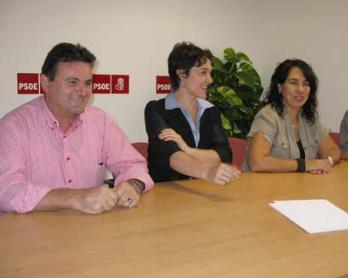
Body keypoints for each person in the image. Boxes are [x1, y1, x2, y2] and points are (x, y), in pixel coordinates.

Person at [0, 42, 153, 214]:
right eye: (72, 82)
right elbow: (5, 188)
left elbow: (132, 163)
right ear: (45, 82)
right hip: (33, 233)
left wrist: (133, 184)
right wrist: (73, 198)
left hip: (89, 229)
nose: (83, 91)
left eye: (87, 83)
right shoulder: (13, 126)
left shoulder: (100, 121)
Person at [144, 42, 240, 184]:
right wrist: (207, 172)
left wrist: (188, 150)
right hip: (166, 193)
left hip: (202, 190)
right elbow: (173, 155)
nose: (210, 79)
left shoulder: (210, 111)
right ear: (182, 74)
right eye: (203, 72)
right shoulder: (157, 109)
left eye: (210, 73)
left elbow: (224, 155)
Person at [243, 59, 341, 173]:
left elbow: (333, 150)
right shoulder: (268, 116)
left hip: (298, 187)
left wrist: (325, 163)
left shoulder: (309, 117)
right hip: (264, 187)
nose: (300, 90)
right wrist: (304, 165)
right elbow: (257, 163)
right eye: (293, 83)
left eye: (306, 84)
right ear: (280, 87)